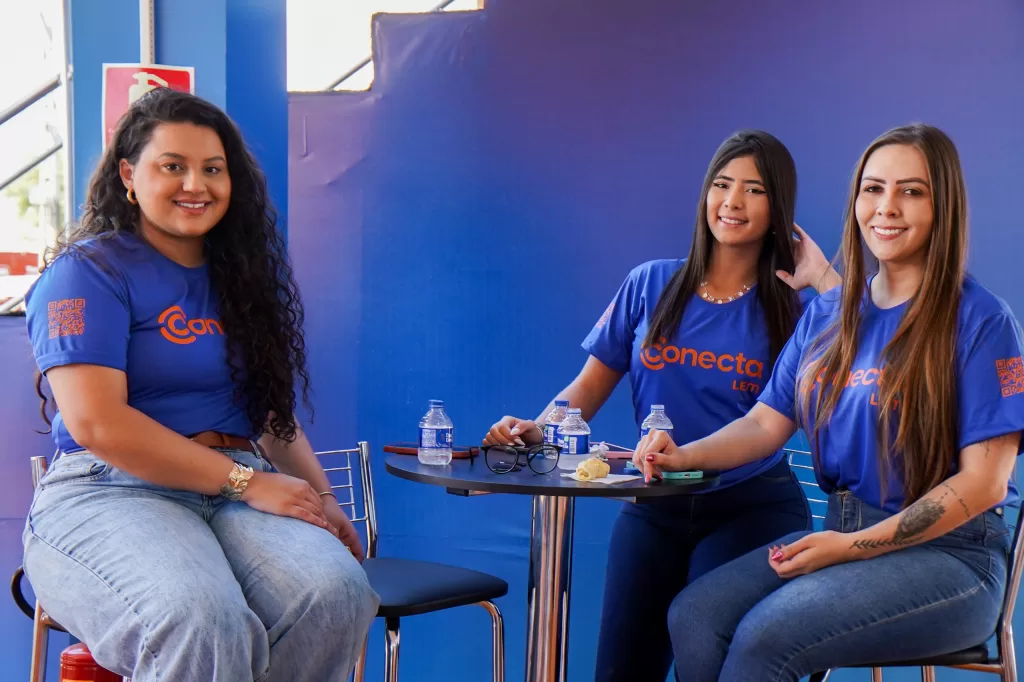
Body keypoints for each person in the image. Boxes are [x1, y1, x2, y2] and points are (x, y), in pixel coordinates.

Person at [640, 124, 1024, 681]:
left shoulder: (982, 321)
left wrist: (852, 547)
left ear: (943, 205)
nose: (886, 207)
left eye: (911, 191)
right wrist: (683, 455)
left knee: (766, 637)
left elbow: (984, 484)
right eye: (873, 189)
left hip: (952, 560)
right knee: (696, 617)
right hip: (840, 534)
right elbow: (764, 424)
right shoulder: (829, 314)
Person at [21, 89, 379, 682]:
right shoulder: (86, 273)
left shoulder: (241, 277)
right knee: (203, 620)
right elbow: (98, 424)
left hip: (236, 487)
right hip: (112, 490)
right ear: (129, 175)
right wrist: (250, 483)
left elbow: (269, 414)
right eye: (173, 166)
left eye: (213, 169)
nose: (196, 184)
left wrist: (322, 498)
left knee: (336, 593)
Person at [484, 130, 839, 682]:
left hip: (750, 507)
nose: (733, 201)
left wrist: (824, 279)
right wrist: (539, 430)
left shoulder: (793, 310)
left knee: (704, 648)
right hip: (653, 502)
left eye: (754, 190)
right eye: (722, 184)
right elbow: (588, 387)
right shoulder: (650, 283)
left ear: (779, 209)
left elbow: (874, 350)